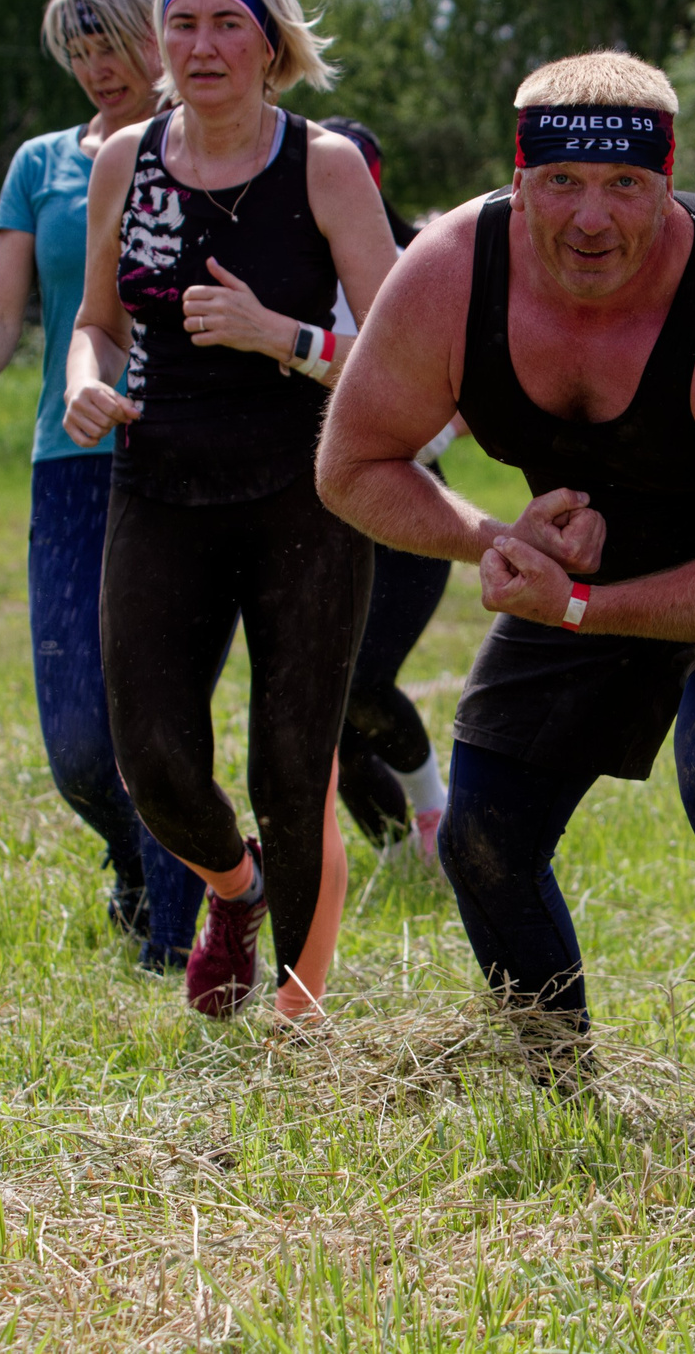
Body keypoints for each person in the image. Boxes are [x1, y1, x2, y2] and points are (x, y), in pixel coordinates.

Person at [317, 50, 695, 1132]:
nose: (591, 218)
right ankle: (562, 1100)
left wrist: (580, 607)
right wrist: (498, 540)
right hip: (587, 556)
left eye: (625, 184)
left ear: (667, 185)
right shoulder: (450, 268)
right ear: (517, 181)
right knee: (481, 831)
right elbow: (352, 464)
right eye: (562, 181)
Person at [65, 0, 396, 1022]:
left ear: (271, 45)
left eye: (226, 24)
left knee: (292, 770)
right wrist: (84, 382)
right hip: (159, 481)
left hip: (306, 492)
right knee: (153, 760)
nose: (202, 46)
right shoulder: (126, 160)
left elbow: (403, 354)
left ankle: (299, 1022)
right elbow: (97, 324)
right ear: (160, 42)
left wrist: (279, 334)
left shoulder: (326, 167)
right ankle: (233, 888)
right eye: (182, 24)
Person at [0, 0, 201, 968]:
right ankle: (137, 861)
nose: (98, 67)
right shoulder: (41, 165)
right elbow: (4, 309)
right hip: (70, 459)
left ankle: (178, 937)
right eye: (79, 50)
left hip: (181, 459)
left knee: (155, 713)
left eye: (114, 41)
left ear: (156, 32)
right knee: (80, 745)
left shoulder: (204, 151)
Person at [316, 115, 454, 864]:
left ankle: (438, 814)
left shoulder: (412, 267)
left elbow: (447, 408)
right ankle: (400, 860)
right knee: (325, 704)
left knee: (364, 682)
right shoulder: (286, 268)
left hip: (405, 502)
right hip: (314, 509)